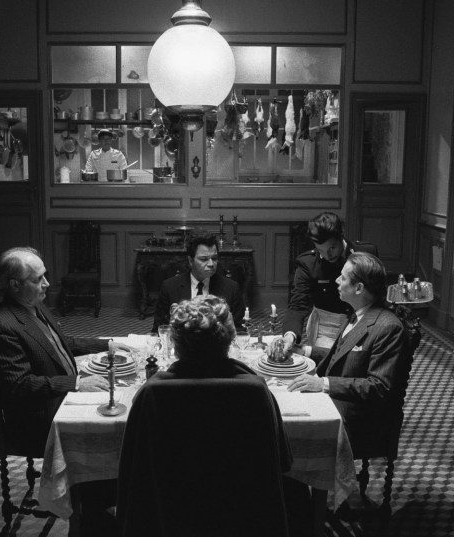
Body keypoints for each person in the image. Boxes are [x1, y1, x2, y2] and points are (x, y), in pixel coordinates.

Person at [119, 296, 311, 537]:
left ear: (175, 345)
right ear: (231, 340)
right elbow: (282, 461)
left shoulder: (151, 393)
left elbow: (133, 473)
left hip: (169, 517)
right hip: (242, 519)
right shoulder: (255, 391)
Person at [0, 246, 130, 535]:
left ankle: (98, 505)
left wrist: (106, 344)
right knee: (101, 432)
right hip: (34, 418)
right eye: (38, 279)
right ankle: (93, 512)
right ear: (15, 285)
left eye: (45, 276)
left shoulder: (34, 306)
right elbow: (18, 386)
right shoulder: (3, 325)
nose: (47, 284)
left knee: (116, 409)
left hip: (57, 398)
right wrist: (75, 383)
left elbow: (62, 342)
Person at [286, 252, 406, 459]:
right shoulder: (358, 313)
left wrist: (322, 384)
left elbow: (379, 387)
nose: (336, 281)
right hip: (339, 400)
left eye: (342, 277)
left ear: (359, 288)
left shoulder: (388, 327)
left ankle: (309, 483)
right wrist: (302, 350)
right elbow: (344, 355)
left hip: (360, 418)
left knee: (289, 430)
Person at [281, 212, 378, 353]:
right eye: (321, 250)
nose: (327, 255)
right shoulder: (308, 263)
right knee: (326, 365)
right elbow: (298, 304)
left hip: (363, 323)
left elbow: (377, 294)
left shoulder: (365, 254)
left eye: (332, 248)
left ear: (341, 236)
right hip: (326, 329)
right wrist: (290, 335)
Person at [151, 230, 245, 332]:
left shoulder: (231, 288)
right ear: (190, 261)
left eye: (214, 258)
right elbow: (159, 329)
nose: (211, 264)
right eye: (204, 259)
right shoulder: (170, 287)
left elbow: (238, 330)